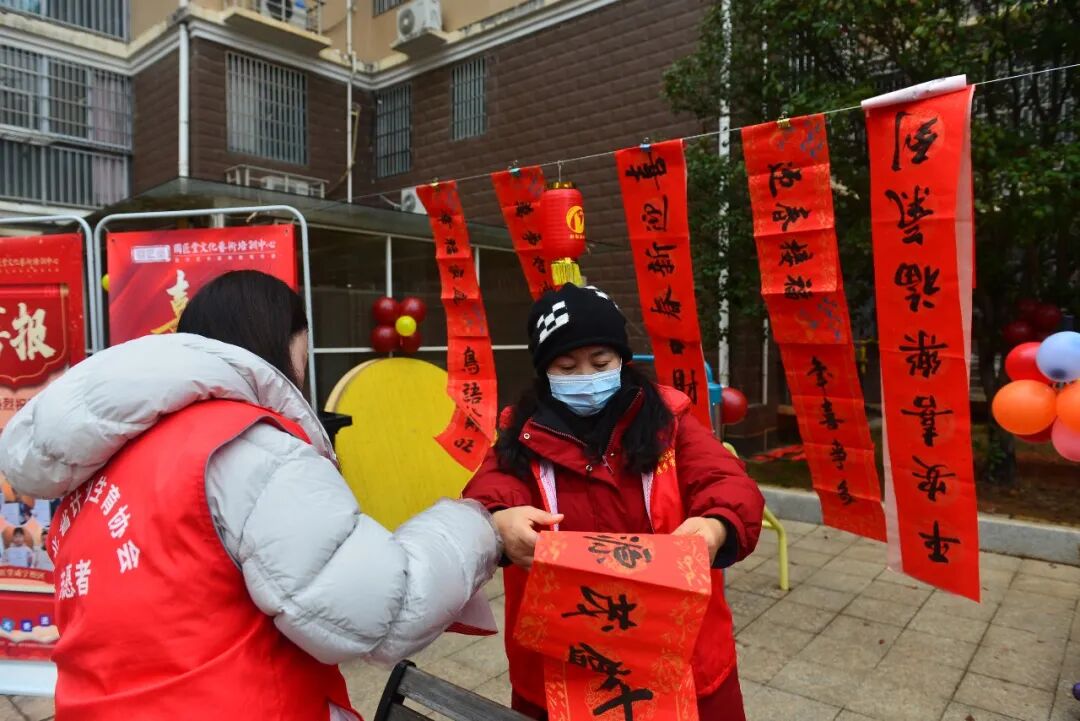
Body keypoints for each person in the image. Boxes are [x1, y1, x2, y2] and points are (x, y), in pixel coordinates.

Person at [0, 270, 501, 721]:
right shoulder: (247, 446)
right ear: (284, 341)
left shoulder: (94, 466)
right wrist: (481, 526)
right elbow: (384, 611)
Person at [463, 283, 765, 721]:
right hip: (561, 662)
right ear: (545, 371)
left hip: (681, 652)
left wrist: (716, 525)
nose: (586, 377)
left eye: (600, 362)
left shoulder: (669, 421)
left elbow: (727, 482)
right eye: (567, 367)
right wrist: (497, 521)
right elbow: (488, 489)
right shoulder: (521, 433)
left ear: (622, 360)